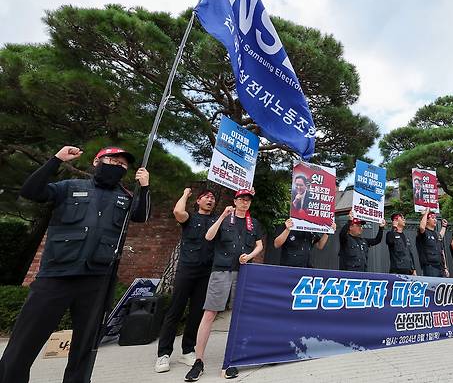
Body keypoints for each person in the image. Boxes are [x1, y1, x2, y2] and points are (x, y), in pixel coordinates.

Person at [0, 146, 150, 383]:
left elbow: (141, 216)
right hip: (56, 275)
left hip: (97, 279)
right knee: (24, 341)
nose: (117, 166)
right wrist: (56, 159)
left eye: (123, 165)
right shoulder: (70, 187)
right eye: (111, 160)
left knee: (85, 348)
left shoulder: (124, 196)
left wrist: (144, 187)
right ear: (96, 162)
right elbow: (31, 191)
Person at [184, 189, 263, 381]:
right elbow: (209, 237)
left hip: (244, 272)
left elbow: (259, 245)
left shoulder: (254, 223)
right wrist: (222, 216)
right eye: (242, 199)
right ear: (235, 201)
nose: (245, 203)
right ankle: (198, 361)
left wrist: (250, 256)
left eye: (248, 200)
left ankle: (232, 359)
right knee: (210, 313)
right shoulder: (224, 217)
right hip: (221, 270)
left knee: (239, 315)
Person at [155, 188, 217, 373]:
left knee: (197, 313)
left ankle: (188, 350)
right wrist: (185, 194)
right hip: (186, 270)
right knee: (175, 310)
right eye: (206, 197)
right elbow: (177, 212)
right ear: (198, 201)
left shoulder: (216, 221)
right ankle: (163, 354)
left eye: (212, 198)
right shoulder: (190, 218)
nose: (210, 200)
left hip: (206, 272)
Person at [416, 209, 449, 277]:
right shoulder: (423, 233)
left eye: (435, 218)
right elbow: (422, 227)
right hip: (430, 267)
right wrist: (427, 212)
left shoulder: (436, 234)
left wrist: (444, 227)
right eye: (432, 218)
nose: (435, 220)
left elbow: (441, 249)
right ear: (427, 220)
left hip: (441, 267)